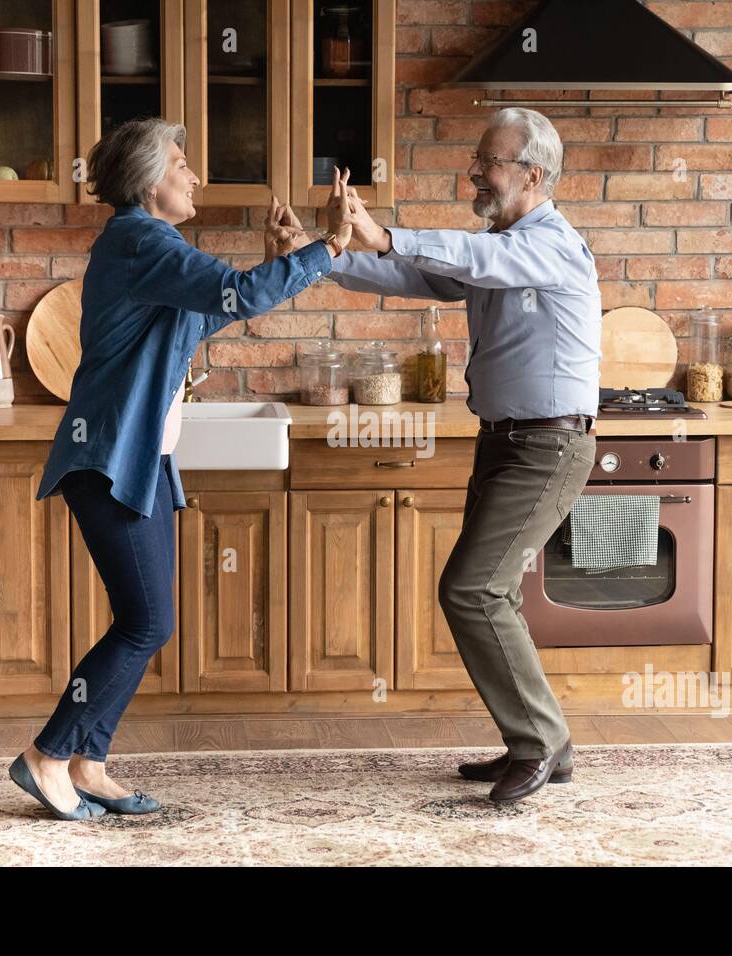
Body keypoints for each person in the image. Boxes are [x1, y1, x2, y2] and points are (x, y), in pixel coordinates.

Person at [8, 118, 352, 820]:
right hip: (109, 459)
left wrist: (271, 262)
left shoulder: (146, 246)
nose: (193, 176)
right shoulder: (142, 239)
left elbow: (201, 319)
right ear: (148, 179)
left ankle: (88, 761)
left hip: (140, 460)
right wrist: (333, 246)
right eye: (182, 164)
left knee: (147, 620)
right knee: (146, 622)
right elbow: (244, 296)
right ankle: (49, 753)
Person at [278, 107, 601, 802]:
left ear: (532, 174)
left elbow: (474, 258)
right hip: (507, 441)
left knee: (471, 589)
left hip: (547, 445)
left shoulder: (550, 245)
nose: (475, 171)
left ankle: (538, 742)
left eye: (489, 160)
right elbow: (421, 278)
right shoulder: (503, 244)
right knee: (492, 591)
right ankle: (547, 742)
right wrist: (323, 256)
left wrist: (387, 233)